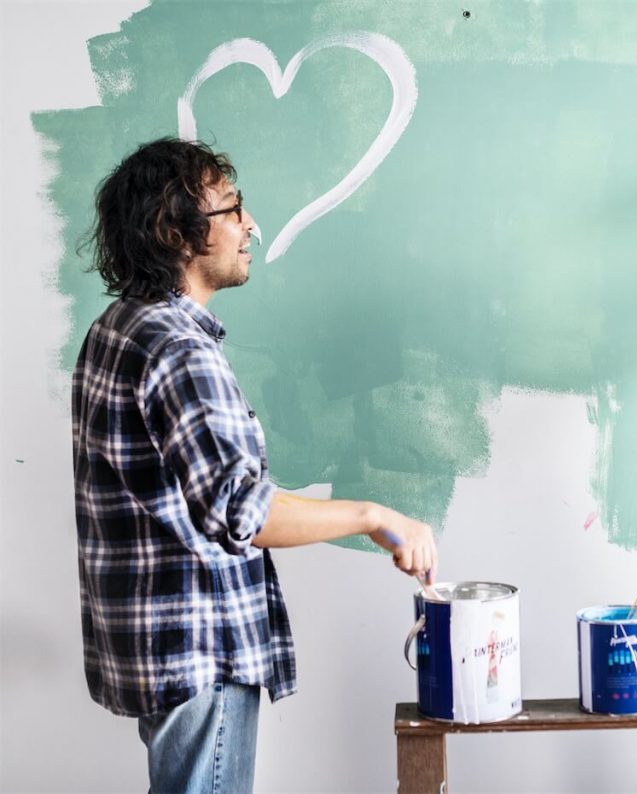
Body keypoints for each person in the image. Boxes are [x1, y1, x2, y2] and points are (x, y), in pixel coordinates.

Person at [72, 137, 438, 793]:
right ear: (177, 233)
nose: (250, 225)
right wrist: (374, 514)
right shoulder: (177, 347)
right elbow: (241, 510)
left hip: (164, 646)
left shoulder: (118, 326)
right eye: (233, 209)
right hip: (197, 648)